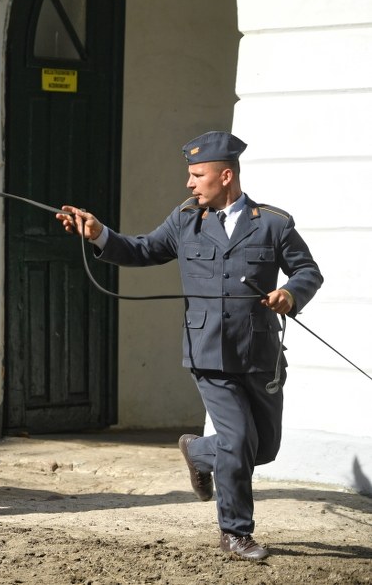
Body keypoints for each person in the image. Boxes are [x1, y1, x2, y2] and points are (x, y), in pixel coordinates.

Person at [57, 131, 323, 560]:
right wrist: (99, 234)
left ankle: (199, 451)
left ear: (226, 175)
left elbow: (308, 270)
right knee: (238, 442)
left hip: (259, 354)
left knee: (263, 447)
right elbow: (141, 249)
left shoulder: (273, 223)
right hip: (210, 351)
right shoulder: (185, 220)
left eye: (198, 175)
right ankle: (235, 533)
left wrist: (290, 294)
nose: (189, 183)